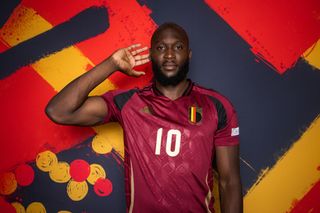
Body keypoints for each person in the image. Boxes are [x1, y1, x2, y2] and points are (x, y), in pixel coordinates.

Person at [46, 22, 242, 213]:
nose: (170, 54)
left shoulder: (216, 106)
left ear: (189, 55)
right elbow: (59, 111)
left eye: (178, 47)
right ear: (150, 55)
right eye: (161, 47)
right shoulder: (130, 103)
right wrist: (111, 64)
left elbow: (229, 181)